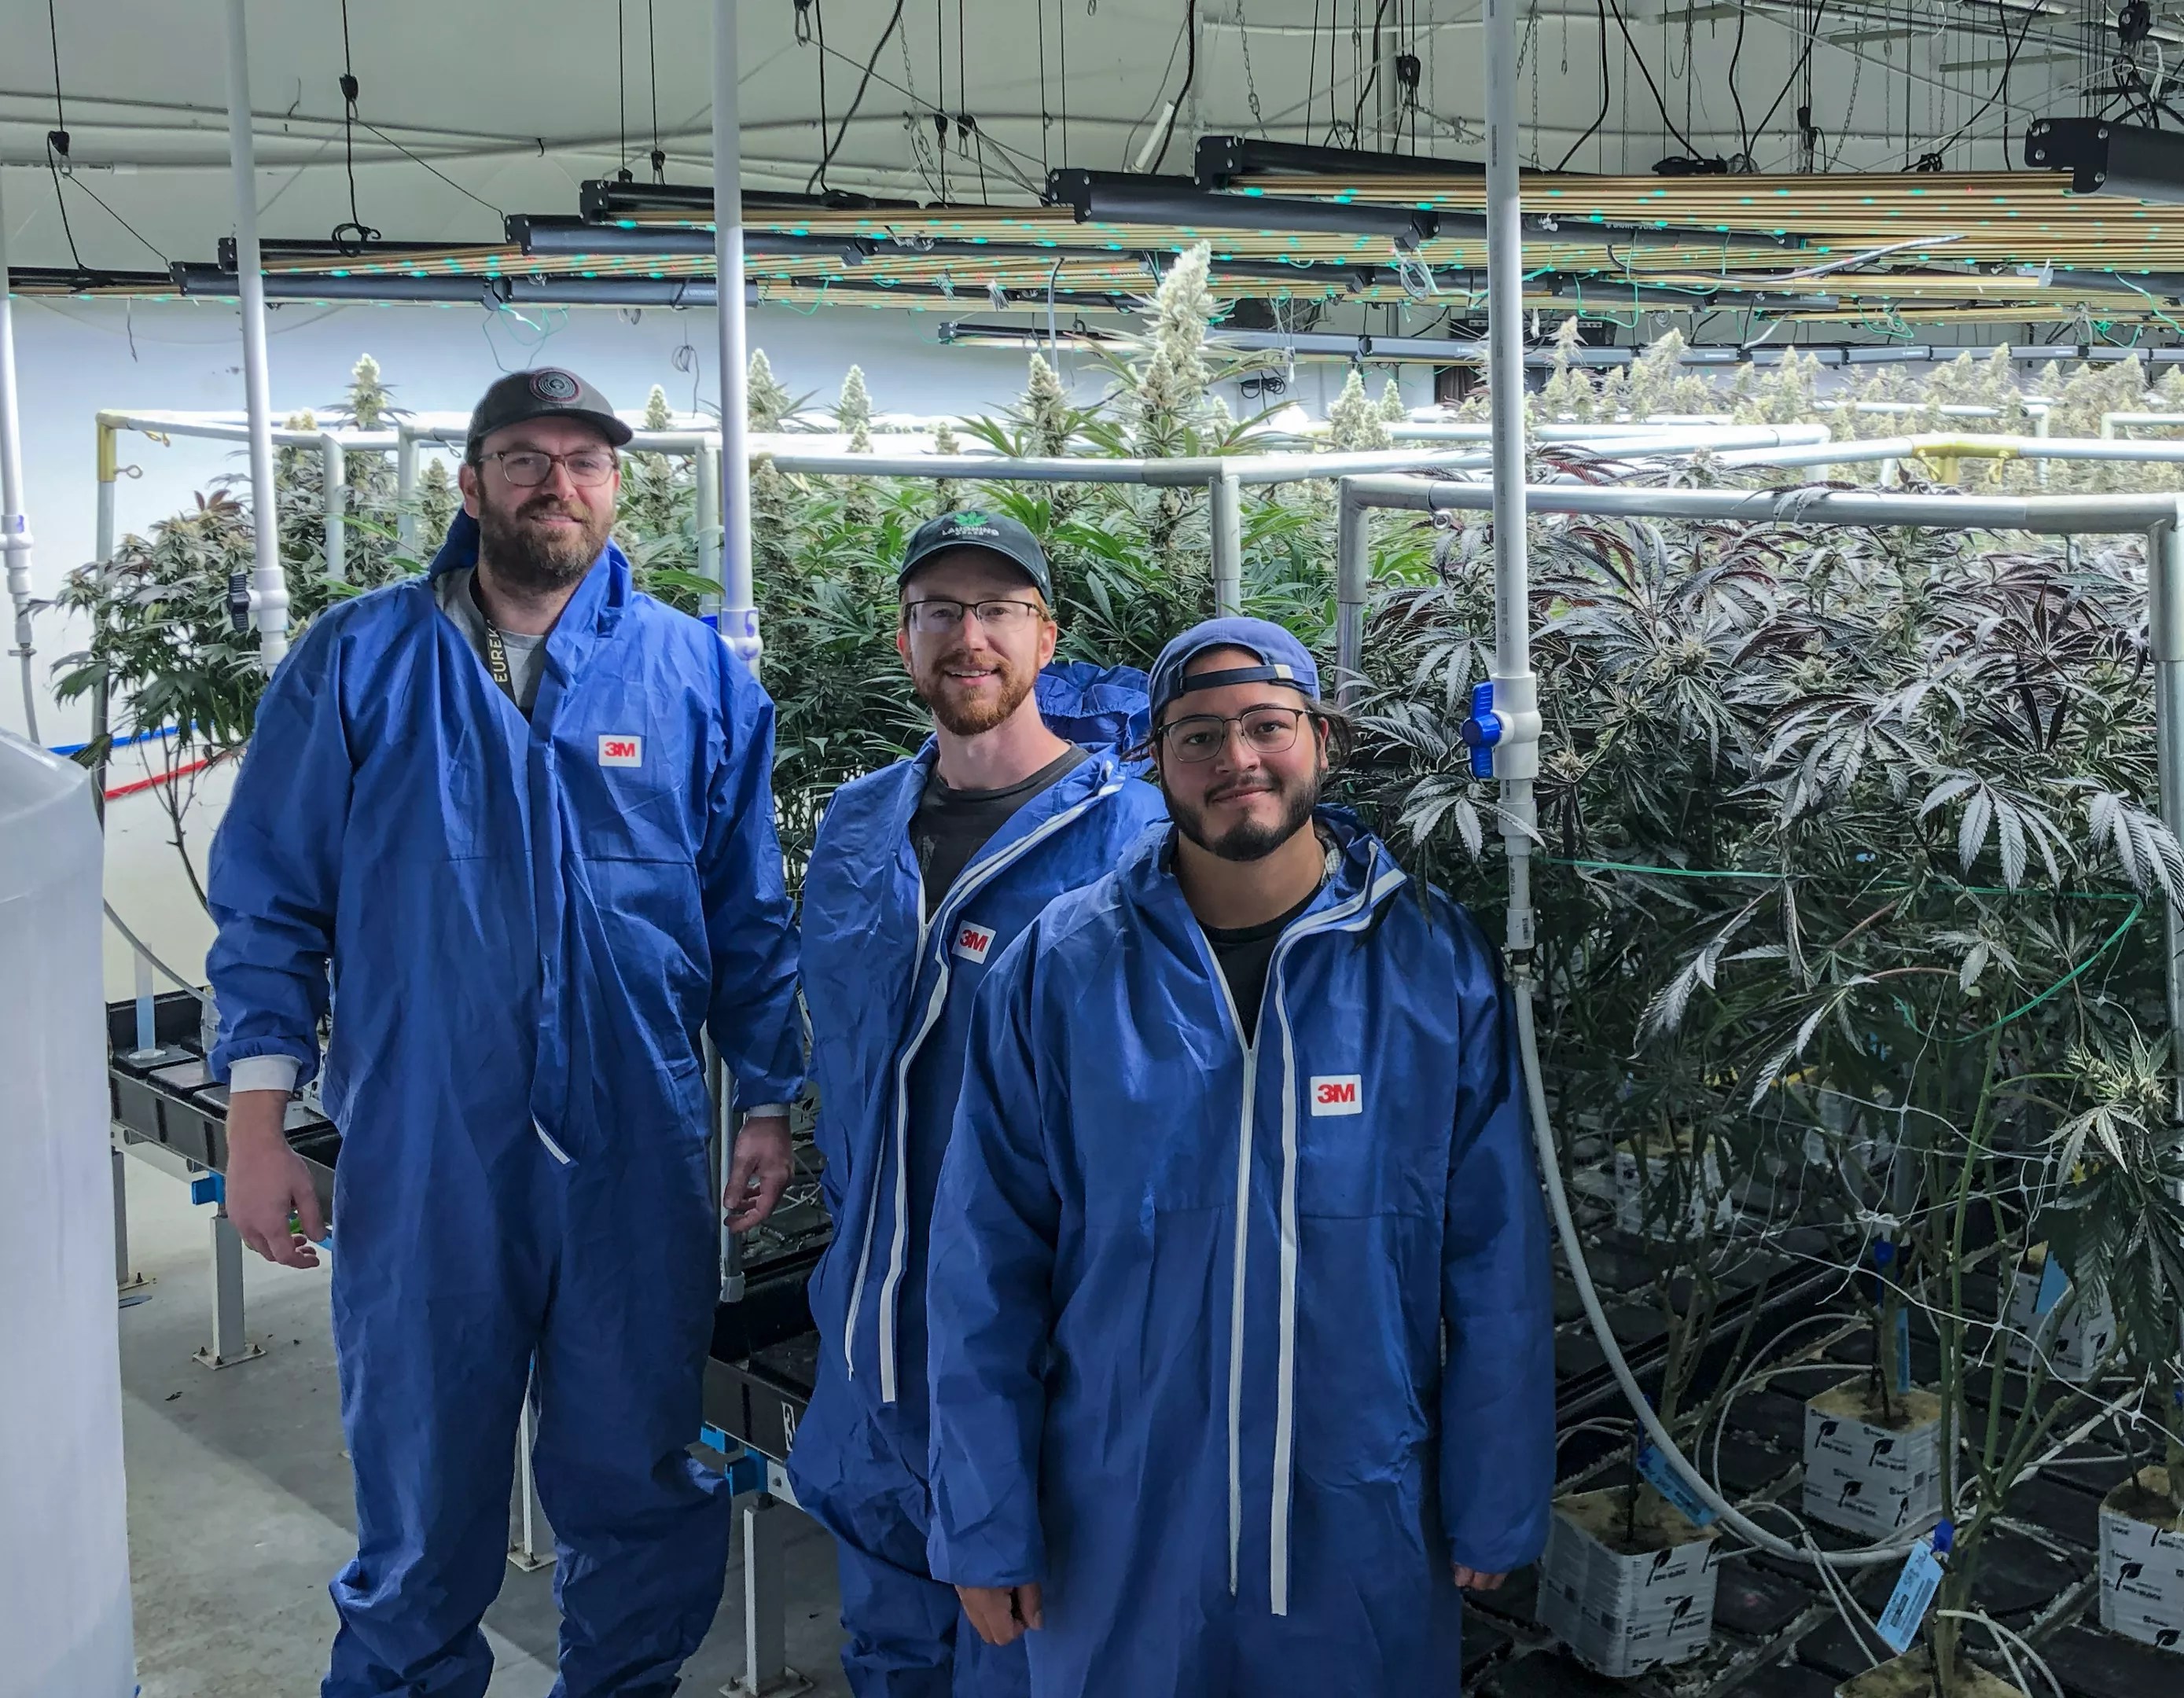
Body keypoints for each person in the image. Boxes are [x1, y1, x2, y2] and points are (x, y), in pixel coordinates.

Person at [205, 367, 803, 1698]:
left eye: (586, 461)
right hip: (428, 1145)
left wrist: (766, 1096)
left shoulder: (693, 673)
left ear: (614, 488)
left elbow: (744, 906)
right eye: (525, 457)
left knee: (637, 1474)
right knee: (423, 1483)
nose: (557, 483)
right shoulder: (356, 660)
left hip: (632, 1145)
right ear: (469, 484)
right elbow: (269, 898)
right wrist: (260, 1124)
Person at [923, 616, 1556, 1696]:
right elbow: (982, 1265)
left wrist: (1495, 1495)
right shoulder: (1063, 968)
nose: (1236, 761)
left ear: (1322, 740)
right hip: (1119, 1513)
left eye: (1267, 726)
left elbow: (1495, 1259)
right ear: (1154, 761)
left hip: (1355, 1508)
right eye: (1197, 737)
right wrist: (983, 1523)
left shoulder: (1427, 965)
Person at [789, 511, 1168, 1696]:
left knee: (1031, 1655)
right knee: (888, 1646)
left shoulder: (1130, 838)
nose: (969, 636)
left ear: (1045, 638)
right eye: (939, 612)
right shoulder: (857, 824)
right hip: (869, 1329)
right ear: (903, 641)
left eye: (998, 611)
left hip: (1037, 1344)